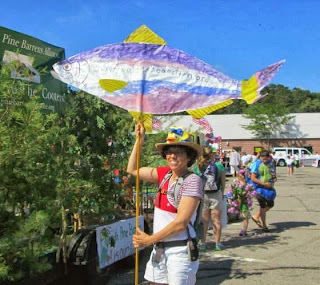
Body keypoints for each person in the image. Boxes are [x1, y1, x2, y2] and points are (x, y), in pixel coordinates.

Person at [127, 123, 203, 285]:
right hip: (159, 249)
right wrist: (139, 141)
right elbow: (132, 170)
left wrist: (150, 240)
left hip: (180, 252)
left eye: (179, 152)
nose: (172, 156)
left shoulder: (192, 181)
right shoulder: (164, 174)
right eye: (169, 152)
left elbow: (181, 223)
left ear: (189, 157)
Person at [195, 146, 226, 251]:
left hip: (203, 195)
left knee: (204, 221)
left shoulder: (198, 166)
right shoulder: (218, 165)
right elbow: (223, 182)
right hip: (215, 194)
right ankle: (217, 243)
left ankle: (203, 243)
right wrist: (222, 193)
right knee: (216, 220)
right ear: (212, 154)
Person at [249, 150, 277, 233]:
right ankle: (264, 225)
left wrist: (273, 179)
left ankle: (256, 216)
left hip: (268, 186)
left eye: (266, 159)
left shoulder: (270, 163)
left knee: (270, 204)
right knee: (263, 205)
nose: (264, 160)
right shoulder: (257, 164)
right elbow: (253, 178)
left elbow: (272, 173)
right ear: (260, 157)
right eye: (263, 159)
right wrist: (263, 183)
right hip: (258, 187)